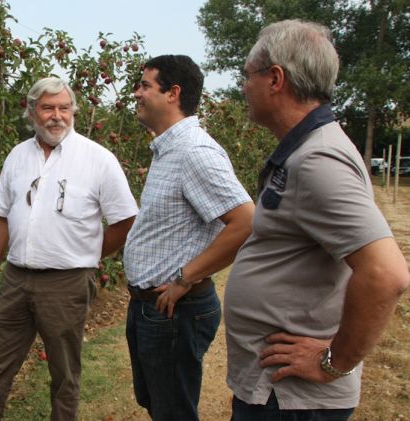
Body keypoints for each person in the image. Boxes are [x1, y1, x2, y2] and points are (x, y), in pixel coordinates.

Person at [225, 19, 410, 420]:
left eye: (248, 76)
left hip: (294, 399)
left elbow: (385, 274)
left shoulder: (318, 160)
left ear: (275, 79)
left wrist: (333, 362)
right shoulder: (307, 150)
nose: (244, 87)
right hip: (277, 390)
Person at [0, 77, 138, 421]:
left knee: (64, 373)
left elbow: (124, 220)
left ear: (73, 111)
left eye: (64, 108)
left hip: (67, 283)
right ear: (32, 113)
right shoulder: (18, 156)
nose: (57, 116)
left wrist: (89, 254)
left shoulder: (97, 159)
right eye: (48, 108)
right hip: (16, 279)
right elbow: (1, 216)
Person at [122, 55, 255, 420]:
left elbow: (245, 221)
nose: (137, 92)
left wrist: (185, 277)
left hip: (175, 311)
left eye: (145, 85)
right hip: (152, 307)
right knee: (159, 404)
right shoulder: (168, 149)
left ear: (173, 93)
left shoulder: (194, 152)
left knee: (173, 412)